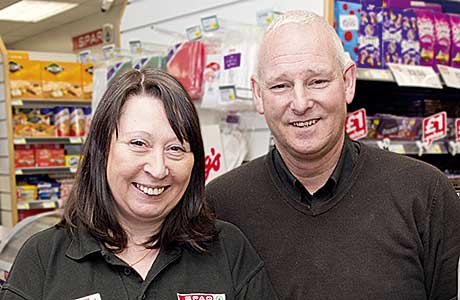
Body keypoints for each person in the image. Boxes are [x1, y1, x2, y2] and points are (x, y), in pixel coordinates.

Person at [206, 10, 460, 300]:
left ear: (348, 82)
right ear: (258, 94)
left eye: (317, 81)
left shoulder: (425, 194)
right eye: (280, 86)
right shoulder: (221, 205)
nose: (300, 103)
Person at [1, 68, 278, 300]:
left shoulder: (229, 250)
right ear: (101, 150)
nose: (158, 169)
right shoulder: (42, 259)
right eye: (138, 143)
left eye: (175, 149)